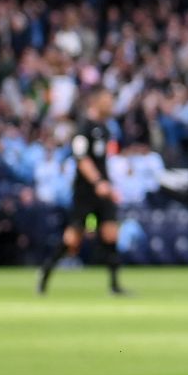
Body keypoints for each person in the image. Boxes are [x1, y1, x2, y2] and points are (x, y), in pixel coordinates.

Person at [37, 86, 128, 296]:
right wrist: (98, 183)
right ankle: (46, 271)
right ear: (95, 102)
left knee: (111, 233)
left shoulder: (105, 129)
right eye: (107, 99)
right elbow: (81, 159)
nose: (111, 103)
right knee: (73, 239)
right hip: (86, 192)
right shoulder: (82, 128)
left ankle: (114, 286)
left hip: (104, 191)